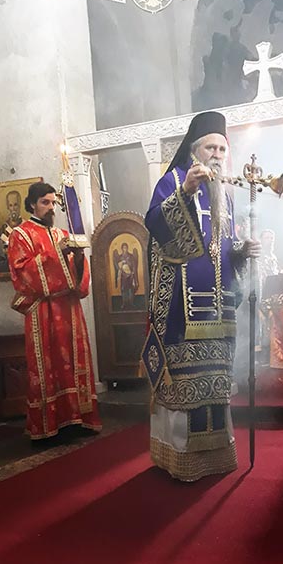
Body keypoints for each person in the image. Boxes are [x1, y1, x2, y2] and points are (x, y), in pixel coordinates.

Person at [143, 111, 260, 482]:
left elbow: (221, 249)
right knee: (184, 382)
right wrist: (186, 192)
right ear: (194, 151)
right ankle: (179, 456)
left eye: (222, 149)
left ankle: (217, 455)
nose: (217, 155)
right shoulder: (173, 181)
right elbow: (157, 227)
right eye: (210, 147)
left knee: (216, 380)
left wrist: (242, 251)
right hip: (183, 305)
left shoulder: (224, 195)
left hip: (218, 306)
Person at [7, 181, 101, 440]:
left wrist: (78, 257)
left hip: (70, 309)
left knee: (74, 363)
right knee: (48, 366)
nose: (51, 207)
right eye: (45, 202)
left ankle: (78, 419)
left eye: (53, 203)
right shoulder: (21, 235)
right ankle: (50, 426)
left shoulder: (62, 234)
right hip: (43, 311)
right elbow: (22, 273)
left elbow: (78, 276)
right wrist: (56, 255)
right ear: (32, 205)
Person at [0, 190, 24, 272]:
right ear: (8, 207)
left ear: (20, 205)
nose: (13, 209)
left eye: (15, 205)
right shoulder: (3, 231)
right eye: (10, 205)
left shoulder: (27, 228)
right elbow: (0, 265)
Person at [113, 242, 139, 309]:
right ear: (122, 249)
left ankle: (131, 302)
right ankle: (124, 303)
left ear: (127, 248)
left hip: (130, 275)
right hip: (123, 275)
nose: (125, 249)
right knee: (124, 289)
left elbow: (134, 265)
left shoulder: (131, 256)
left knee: (131, 289)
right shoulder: (120, 257)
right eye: (123, 248)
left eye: (126, 247)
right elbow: (117, 265)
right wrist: (121, 265)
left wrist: (128, 264)